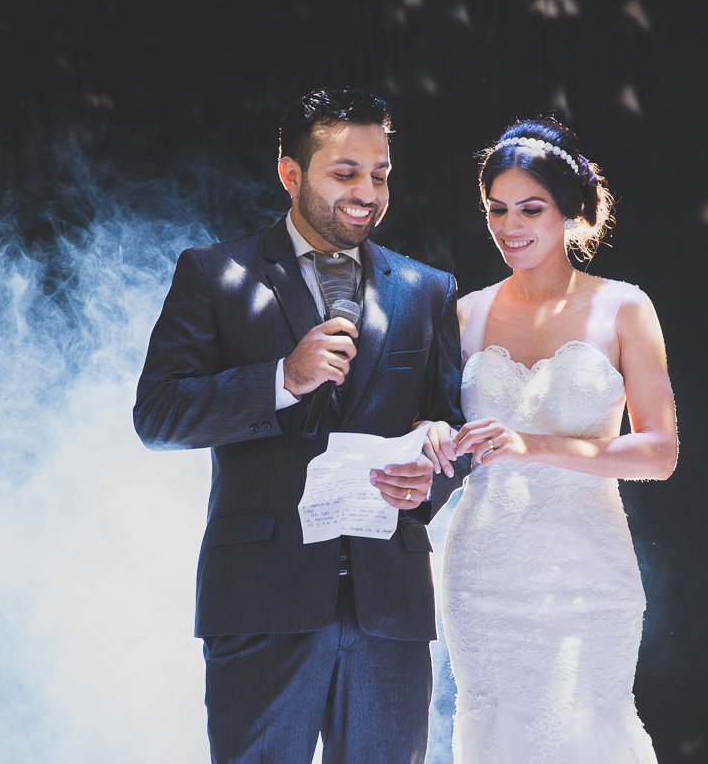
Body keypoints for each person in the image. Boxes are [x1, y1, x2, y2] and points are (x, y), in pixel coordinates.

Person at [133, 87, 469, 763]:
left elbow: (451, 428)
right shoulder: (213, 274)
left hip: (389, 606)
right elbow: (158, 414)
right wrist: (282, 379)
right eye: (345, 173)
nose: (367, 193)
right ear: (290, 174)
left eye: (380, 175)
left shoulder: (427, 288)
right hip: (260, 601)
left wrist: (429, 480)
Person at [420, 117, 678, 762]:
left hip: (586, 569)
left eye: (530, 209)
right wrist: (432, 436)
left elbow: (659, 452)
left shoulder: (624, 308)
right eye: (497, 209)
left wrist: (533, 444)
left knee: (587, 730)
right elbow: (435, 427)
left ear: (570, 211)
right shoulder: (465, 313)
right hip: (483, 570)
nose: (510, 226)